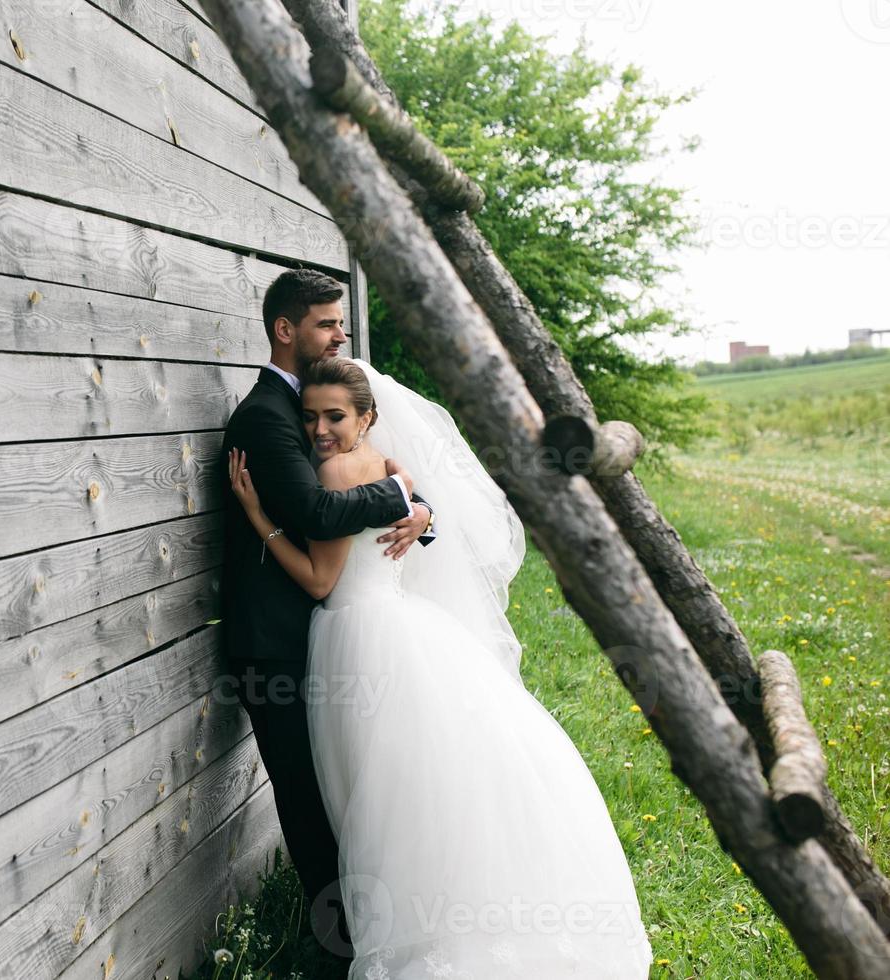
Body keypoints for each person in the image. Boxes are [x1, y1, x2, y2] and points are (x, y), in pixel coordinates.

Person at [228, 356, 653, 978]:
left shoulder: (342, 468)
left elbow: (322, 581)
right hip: (400, 625)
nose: (320, 429)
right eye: (311, 416)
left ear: (367, 416)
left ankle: (414, 934)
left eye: (335, 416)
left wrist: (258, 517)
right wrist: (417, 507)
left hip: (357, 635)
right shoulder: (388, 465)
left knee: (380, 794)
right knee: (423, 781)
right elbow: (405, 505)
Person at [219, 268, 436, 956]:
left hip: (333, 626)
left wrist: (421, 505)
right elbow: (317, 511)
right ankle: (339, 946)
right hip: (276, 642)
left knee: (351, 786)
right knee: (311, 801)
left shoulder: (317, 403)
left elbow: (388, 484)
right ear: (286, 330)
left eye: (341, 321)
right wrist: (402, 495)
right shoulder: (264, 415)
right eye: (326, 323)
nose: (342, 333)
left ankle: (371, 930)